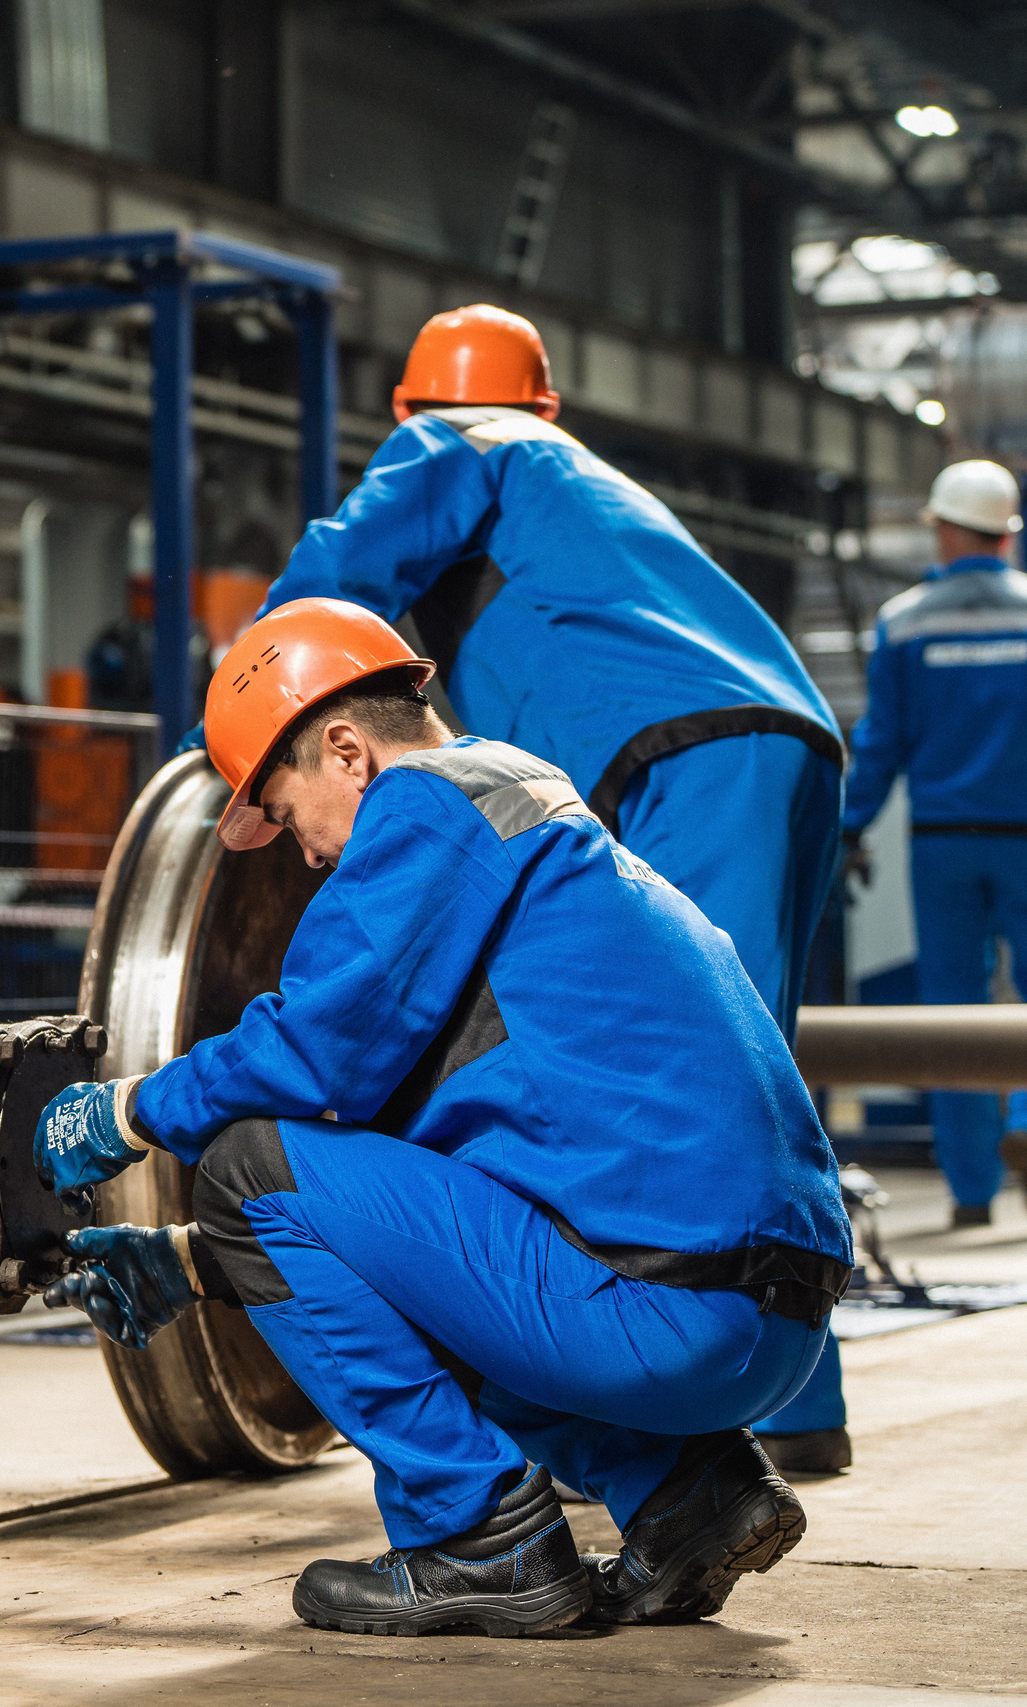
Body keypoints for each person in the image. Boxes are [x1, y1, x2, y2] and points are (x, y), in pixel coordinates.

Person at [41, 600, 849, 1639]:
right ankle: (690, 1499)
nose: (307, 858)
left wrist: (128, 1109)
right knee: (293, 1205)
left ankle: (478, 1541)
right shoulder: (528, 813)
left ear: (347, 752)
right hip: (764, 1318)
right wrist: (200, 1264)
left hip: (663, 1314)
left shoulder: (428, 810)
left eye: (288, 818)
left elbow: (309, 1052)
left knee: (244, 1167)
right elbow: (424, 1211)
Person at [214, 303, 854, 1473]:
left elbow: (334, 581)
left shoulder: (459, 438)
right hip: (782, 745)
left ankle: (685, 1425)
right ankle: (794, 1417)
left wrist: (255, 711)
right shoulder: (580, 484)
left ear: (414, 403)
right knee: (741, 1069)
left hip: (682, 753)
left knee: (688, 1094)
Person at [839, 458, 1027, 1229]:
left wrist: (848, 827)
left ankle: (973, 1193)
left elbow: (882, 741)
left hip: (943, 843)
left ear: (948, 529)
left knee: (951, 1014)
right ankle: (1022, 1131)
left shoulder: (906, 620)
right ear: (1006, 534)